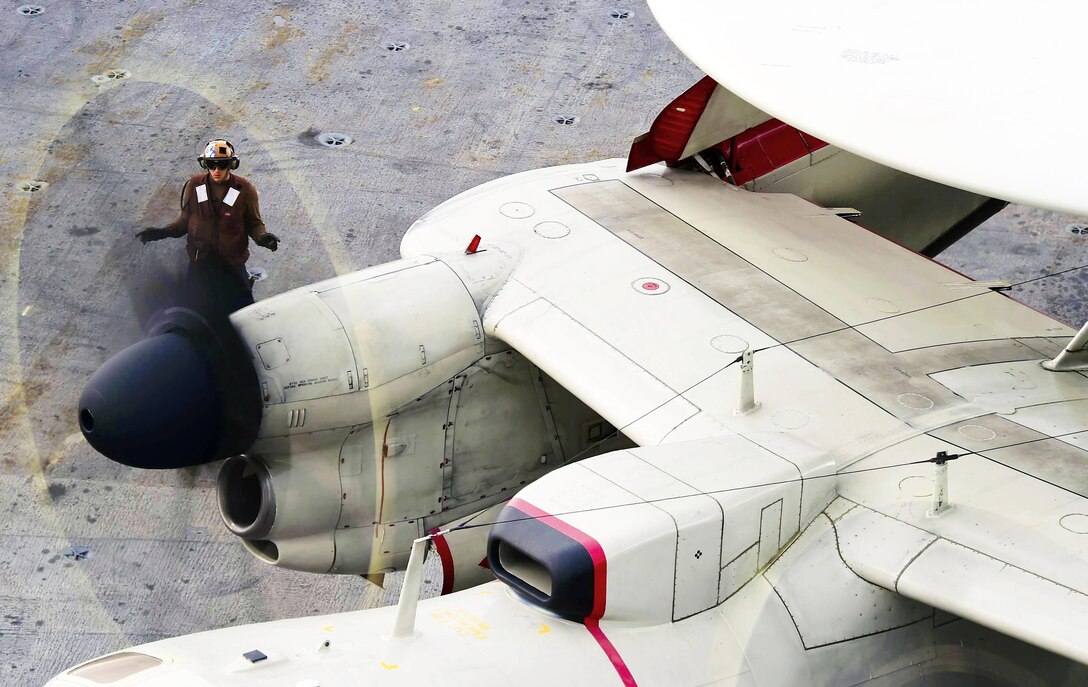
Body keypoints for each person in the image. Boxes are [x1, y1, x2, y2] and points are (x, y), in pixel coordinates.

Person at [136, 139, 279, 313]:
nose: (217, 170)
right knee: (191, 310)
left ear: (232, 164)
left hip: (231, 264)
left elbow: (255, 224)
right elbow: (184, 222)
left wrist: (263, 238)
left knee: (244, 311)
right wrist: (161, 233)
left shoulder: (245, 190)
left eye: (222, 165)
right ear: (205, 164)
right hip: (200, 262)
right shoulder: (195, 185)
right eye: (212, 165)